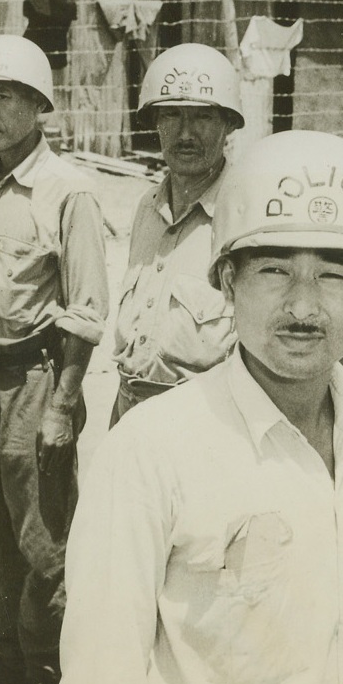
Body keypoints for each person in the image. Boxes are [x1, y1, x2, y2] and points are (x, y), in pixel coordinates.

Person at [61, 131, 343, 684]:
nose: (302, 306)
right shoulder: (150, 448)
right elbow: (102, 673)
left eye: (333, 275)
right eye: (273, 270)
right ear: (226, 282)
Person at [0, 35, 110, 684]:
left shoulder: (69, 191)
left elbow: (86, 311)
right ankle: (8, 656)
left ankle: (49, 671)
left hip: (35, 380)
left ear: (40, 105)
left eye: (2, 97)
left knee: (40, 536)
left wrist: (63, 405)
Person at [110, 42, 244, 424]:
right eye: (171, 115)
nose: (185, 133)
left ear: (229, 123)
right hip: (130, 407)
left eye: (202, 117)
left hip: (202, 419)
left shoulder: (243, 216)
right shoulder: (146, 208)